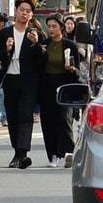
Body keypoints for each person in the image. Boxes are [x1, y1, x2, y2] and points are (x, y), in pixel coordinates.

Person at [0, 0, 45, 169]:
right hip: (10, 79)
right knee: (12, 116)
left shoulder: (35, 34)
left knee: (26, 115)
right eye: (22, 10)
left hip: (29, 81)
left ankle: (23, 153)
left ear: (31, 14)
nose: (24, 13)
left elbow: (43, 59)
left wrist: (36, 44)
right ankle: (17, 152)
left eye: (28, 11)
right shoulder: (5, 32)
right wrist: (6, 50)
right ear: (16, 11)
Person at [38, 15, 81, 168]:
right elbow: (38, 66)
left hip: (65, 85)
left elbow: (78, 71)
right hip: (47, 86)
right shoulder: (44, 44)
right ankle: (53, 155)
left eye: (54, 26)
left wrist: (72, 69)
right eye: (48, 26)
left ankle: (68, 153)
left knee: (64, 119)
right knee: (48, 121)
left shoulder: (70, 45)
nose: (51, 29)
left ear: (61, 27)